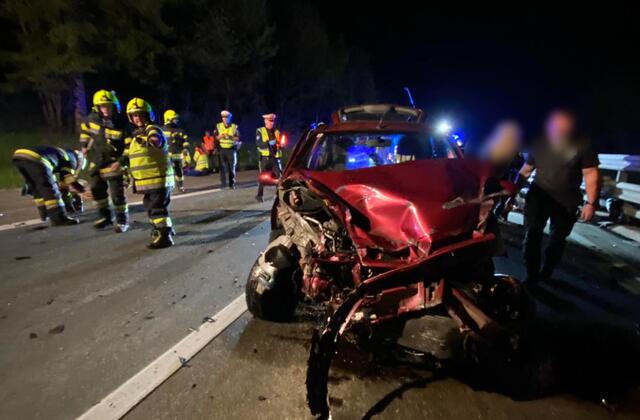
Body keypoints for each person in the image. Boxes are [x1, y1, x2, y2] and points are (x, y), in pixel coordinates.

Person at [515, 110, 599, 283]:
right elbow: (526, 169)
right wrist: (512, 191)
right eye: (555, 124)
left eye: (564, 124)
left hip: (566, 201)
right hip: (539, 196)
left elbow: (591, 174)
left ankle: (547, 270)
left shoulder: (582, 145)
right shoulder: (538, 143)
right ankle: (531, 275)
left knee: (557, 239)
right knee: (532, 235)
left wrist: (591, 203)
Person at [113, 98, 175, 249]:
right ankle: (161, 230)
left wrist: (152, 140)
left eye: (140, 114)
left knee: (157, 208)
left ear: (148, 115)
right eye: (134, 116)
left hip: (158, 180)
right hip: (148, 181)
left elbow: (156, 140)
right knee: (150, 206)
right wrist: (119, 164)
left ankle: (165, 236)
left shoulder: (152, 129)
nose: (138, 118)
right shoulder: (136, 136)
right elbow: (129, 156)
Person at [80, 89, 129, 232]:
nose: (105, 109)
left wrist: (120, 162)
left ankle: (122, 221)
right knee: (96, 190)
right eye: (102, 106)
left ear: (114, 106)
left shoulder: (121, 123)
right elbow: (85, 132)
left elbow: (128, 147)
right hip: (96, 162)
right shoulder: (92, 119)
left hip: (113, 163)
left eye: (108, 106)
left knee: (116, 195)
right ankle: (105, 217)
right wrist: (84, 146)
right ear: (97, 107)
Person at [12, 146, 85, 226]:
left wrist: (66, 193)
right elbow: (67, 178)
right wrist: (80, 189)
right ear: (80, 161)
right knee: (50, 188)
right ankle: (59, 218)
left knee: (37, 188)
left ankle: (44, 214)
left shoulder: (63, 154)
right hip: (37, 158)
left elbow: (63, 182)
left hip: (19, 156)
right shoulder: (73, 158)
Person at [255, 113, 284, 202]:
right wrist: (270, 143)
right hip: (265, 158)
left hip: (275, 158)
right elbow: (259, 144)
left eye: (272, 121)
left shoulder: (277, 131)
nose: (271, 123)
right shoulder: (260, 131)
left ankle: (279, 196)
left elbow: (279, 143)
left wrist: (280, 145)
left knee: (279, 177)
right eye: (269, 121)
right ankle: (259, 195)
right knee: (263, 178)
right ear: (265, 121)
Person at [162, 109, 190, 192]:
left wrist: (185, 149)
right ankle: (166, 188)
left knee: (178, 171)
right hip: (165, 155)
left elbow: (185, 141)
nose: (176, 120)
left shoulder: (180, 130)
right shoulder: (162, 130)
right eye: (174, 119)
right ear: (168, 119)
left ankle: (180, 186)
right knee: (166, 172)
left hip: (177, 154)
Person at [213, 110, 240, 189]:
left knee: (232, 168)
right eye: (223, 118)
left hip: (231, 150)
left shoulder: (234, 127)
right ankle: (223, 184)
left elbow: (237, 138)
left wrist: (230, 137)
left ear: (230, 118)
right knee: (222, 167)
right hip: (222, 149)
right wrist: (220, 137)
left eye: (227, 118)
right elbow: (215, 137)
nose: (225, 119)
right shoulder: (218, 126)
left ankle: (232, 184)